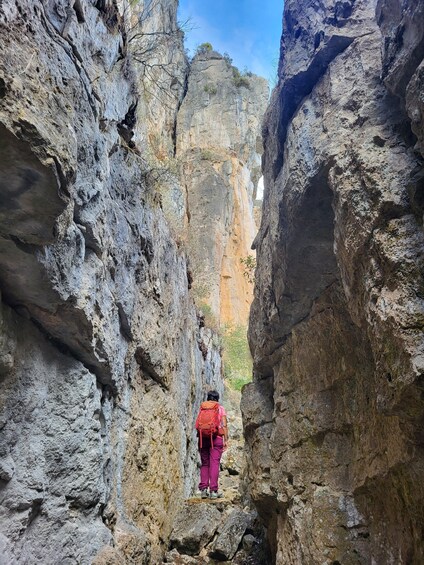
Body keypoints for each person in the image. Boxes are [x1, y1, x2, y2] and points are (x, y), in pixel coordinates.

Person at [196, 390, 228, 499]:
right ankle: (213, 491)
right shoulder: (220, 408)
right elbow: (224, 424)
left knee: (205, 464)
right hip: (216, 439)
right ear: (217, 399)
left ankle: (203, 490)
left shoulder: (202, 408)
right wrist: (226, 440)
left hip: (203, 438)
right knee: (214, 464)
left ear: (208, 398)